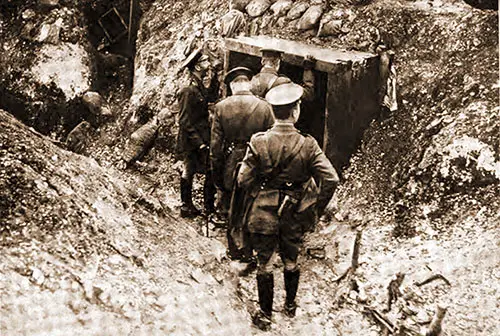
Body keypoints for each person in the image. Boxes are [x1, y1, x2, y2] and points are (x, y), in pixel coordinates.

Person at [237, 83, 339, 331]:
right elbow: (331, 179)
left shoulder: (259, 142)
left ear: (273, 112)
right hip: (294, 212)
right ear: (295, 111)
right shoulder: (308, 144)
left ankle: (265, 314)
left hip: (262, 211)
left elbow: (242, 179)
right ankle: (290, 306)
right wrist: (315, 208)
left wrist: (260, 193)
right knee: (291, 260)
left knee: (265, 263)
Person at [210, 66, 274, 264]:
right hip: (256, 161)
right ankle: (250, 249)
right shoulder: (264, 107)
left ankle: (234, 250)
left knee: (232, 205)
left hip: (232, 161)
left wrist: (216, 173)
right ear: (248, 84)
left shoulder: (221, 107)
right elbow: (271, 139)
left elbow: (216, 147)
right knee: (252, 204)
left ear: (232, 86)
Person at [176, 47, 219, 218]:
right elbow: (184, 121)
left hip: (199, 136)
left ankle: (207, 207)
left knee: (205, 169)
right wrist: (199, 143)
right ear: (198, 66)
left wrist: (215, 77)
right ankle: (187, 206)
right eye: (205, 62)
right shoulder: (188, 90)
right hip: (190, 139)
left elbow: (208, 97)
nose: (208, 64)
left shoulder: (198, 85)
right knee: (189, 170)